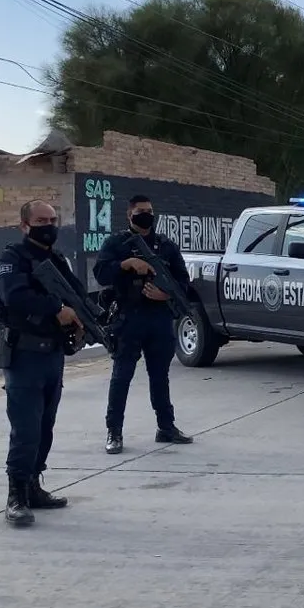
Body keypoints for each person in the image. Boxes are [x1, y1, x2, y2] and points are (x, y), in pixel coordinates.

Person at [0, 199, 83, 526]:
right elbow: (13, 296)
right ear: (25, 226)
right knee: (26, 428)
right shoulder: (10, 259)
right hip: (24, 355)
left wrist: (84, 316)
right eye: (42, 220)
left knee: (45, 427)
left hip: (52, 355)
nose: (49, 225)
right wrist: (55, 308)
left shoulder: (57, 260)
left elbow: (77, 295)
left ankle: (33, 486)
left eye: (53, 219)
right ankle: (15, 496)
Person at [93, 195, 193, 454]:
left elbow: (183, 283)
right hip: (129, 318)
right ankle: (114, 431)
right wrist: (125, 264)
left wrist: (166, 295)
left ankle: (166, 426)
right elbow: (101, 273)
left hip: (159, 319)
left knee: (160, 377)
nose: (146, 215)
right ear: (129, 215)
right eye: (140, 211)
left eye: (149, 211)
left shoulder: (166, 246)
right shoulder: (116, 243)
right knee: (122, 377)